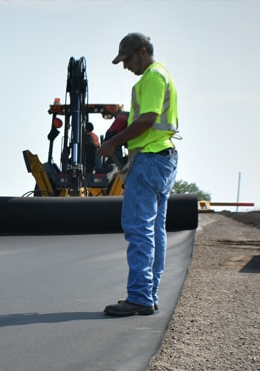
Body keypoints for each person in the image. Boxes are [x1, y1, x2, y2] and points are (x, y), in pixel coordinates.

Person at [97, 33, 179, 316]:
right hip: (161, 159)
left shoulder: (153, 77)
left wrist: (113, 142)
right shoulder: (159, 75)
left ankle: (141, 296)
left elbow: (147, 119)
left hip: (149, 159)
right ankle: (148, 294)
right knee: (155, 230)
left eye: (128, 59)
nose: (125, 66)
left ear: (143, 52)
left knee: (139, 227)